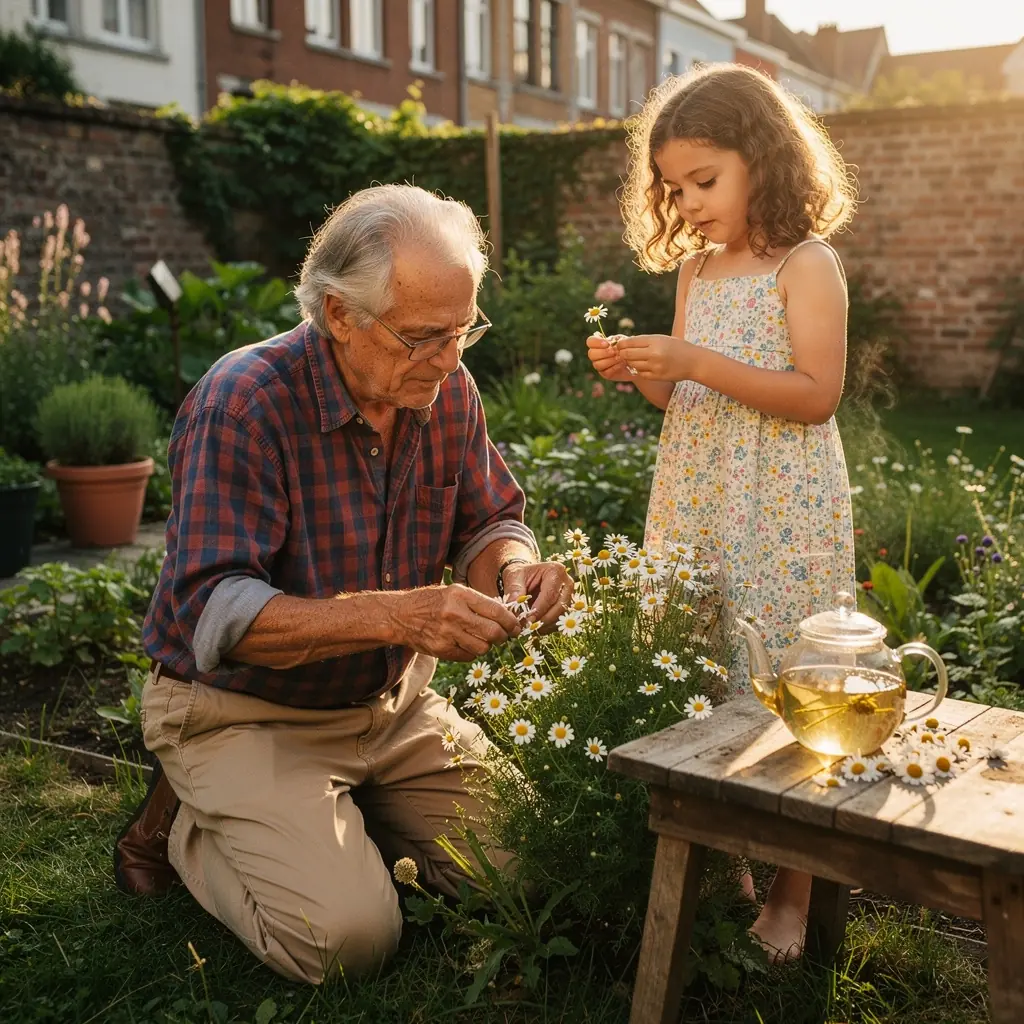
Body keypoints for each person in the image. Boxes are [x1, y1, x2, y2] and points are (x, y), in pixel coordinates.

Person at [113, 184, 574, 984]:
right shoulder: (245, 401)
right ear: (338, 315)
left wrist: (514, 570)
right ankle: (188, 821)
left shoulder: (443, 389)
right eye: (425, 337)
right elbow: (215, 618)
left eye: (464, 332)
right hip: (246, 713)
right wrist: (397, 615)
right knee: (349, 943)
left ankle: (335, 820)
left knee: (536, 874)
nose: (450, 359)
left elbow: (487, 521)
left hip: (391, 709)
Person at [586, 63, 857, 962]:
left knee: (787, 674)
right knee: (701, 666)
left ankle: (795, 885)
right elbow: (680, 405)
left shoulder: (806, 264)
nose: (689, 203)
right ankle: (729, 862)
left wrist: (693, 362)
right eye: (674, 188)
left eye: (706, 180)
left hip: (782, 506)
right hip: (699, 499)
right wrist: (646, 372)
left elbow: (816, 393)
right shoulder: (696, 271)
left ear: (764, 160)